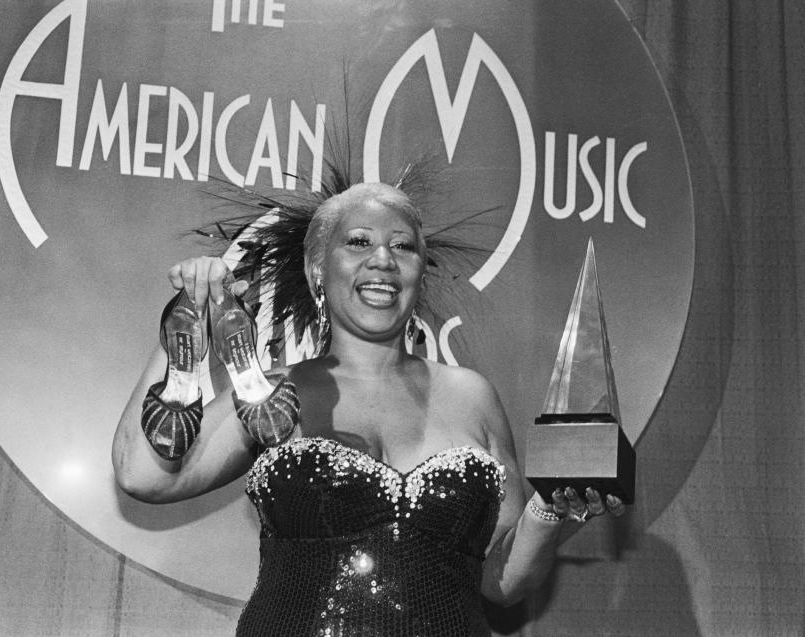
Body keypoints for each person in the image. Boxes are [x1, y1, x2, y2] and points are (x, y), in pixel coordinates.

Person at [112, 182, 625, 636]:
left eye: (402, 247)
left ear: (419, 273)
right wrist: (189, 314)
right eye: (359, 242)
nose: (383, 258)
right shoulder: (268, 394)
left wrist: (552, 507)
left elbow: (502, 583)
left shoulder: (473, 397)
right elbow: (144, 476)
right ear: (318, 267)